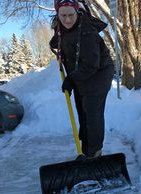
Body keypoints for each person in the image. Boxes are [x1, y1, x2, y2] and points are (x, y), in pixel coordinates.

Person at [50, 0, 114, 158]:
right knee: (82, 111)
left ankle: (94, 153)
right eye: (63, 15)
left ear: (77, 12)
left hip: (98, 74)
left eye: (70, 15)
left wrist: (71, 79)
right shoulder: (60, 29)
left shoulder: (87, 33)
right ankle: (86, 148)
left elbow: (91, 64)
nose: (67, 20)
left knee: (92, 114)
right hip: (81, 73)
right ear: (57, 14)